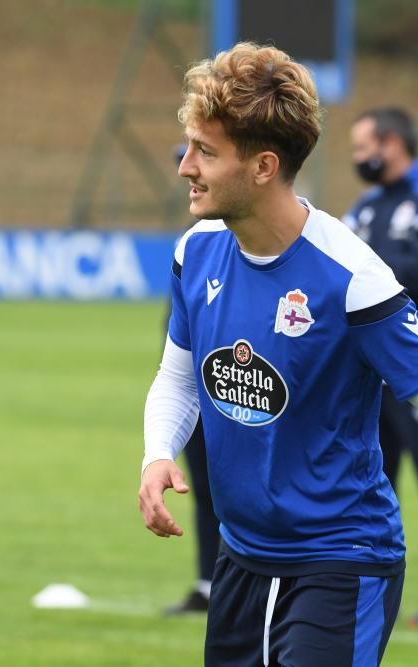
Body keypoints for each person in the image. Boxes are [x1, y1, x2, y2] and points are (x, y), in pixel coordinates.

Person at [138, 43, 418, 666]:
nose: (184, 167)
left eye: (206, 152)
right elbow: (178, 379)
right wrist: (157, 454)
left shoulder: (351, 276)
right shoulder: (194, 253)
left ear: (263, 166)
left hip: (342, 562)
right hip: (241, 559)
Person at [343, 107, 418, 627]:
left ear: (392, 143)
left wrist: (366, 273)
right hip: (368, 378)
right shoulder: (366, 207)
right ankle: (358, 594)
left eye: (362, 147)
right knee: (364, 488)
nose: (357, 159)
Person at [163, 144, 222, 616]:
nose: (187, 171)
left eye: (203, 157)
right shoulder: (195, 242)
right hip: (199, 385)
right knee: (202, 486)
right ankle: (208, 582)